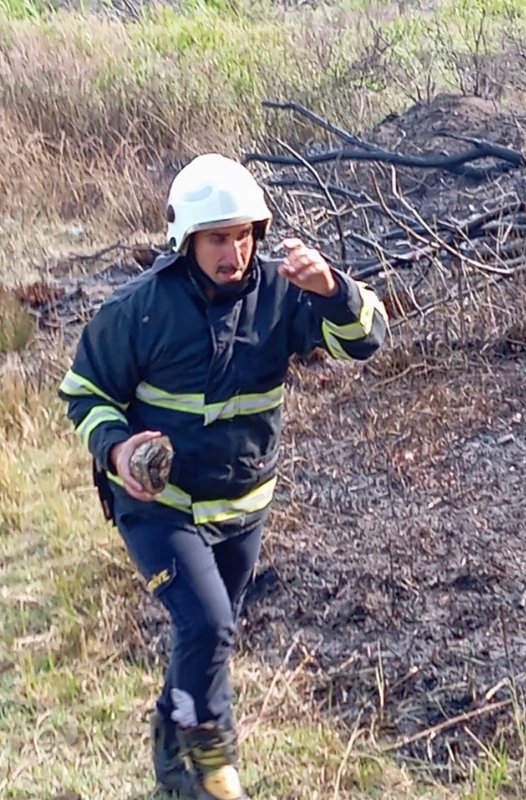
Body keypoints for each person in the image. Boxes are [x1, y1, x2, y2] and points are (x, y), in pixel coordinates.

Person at [59, 153, 388, 800]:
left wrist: (333, 289)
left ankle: (171, 753)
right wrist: (120, 451)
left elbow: (366, 341)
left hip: (243, 509)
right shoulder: (141, 310)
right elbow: (84, 392)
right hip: (158, 509)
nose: (233, 251)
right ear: (186, 239)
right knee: (209, 628)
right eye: (217, 237)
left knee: (205, 639)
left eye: (243, 235)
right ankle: (213, 775)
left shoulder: (282, 295)